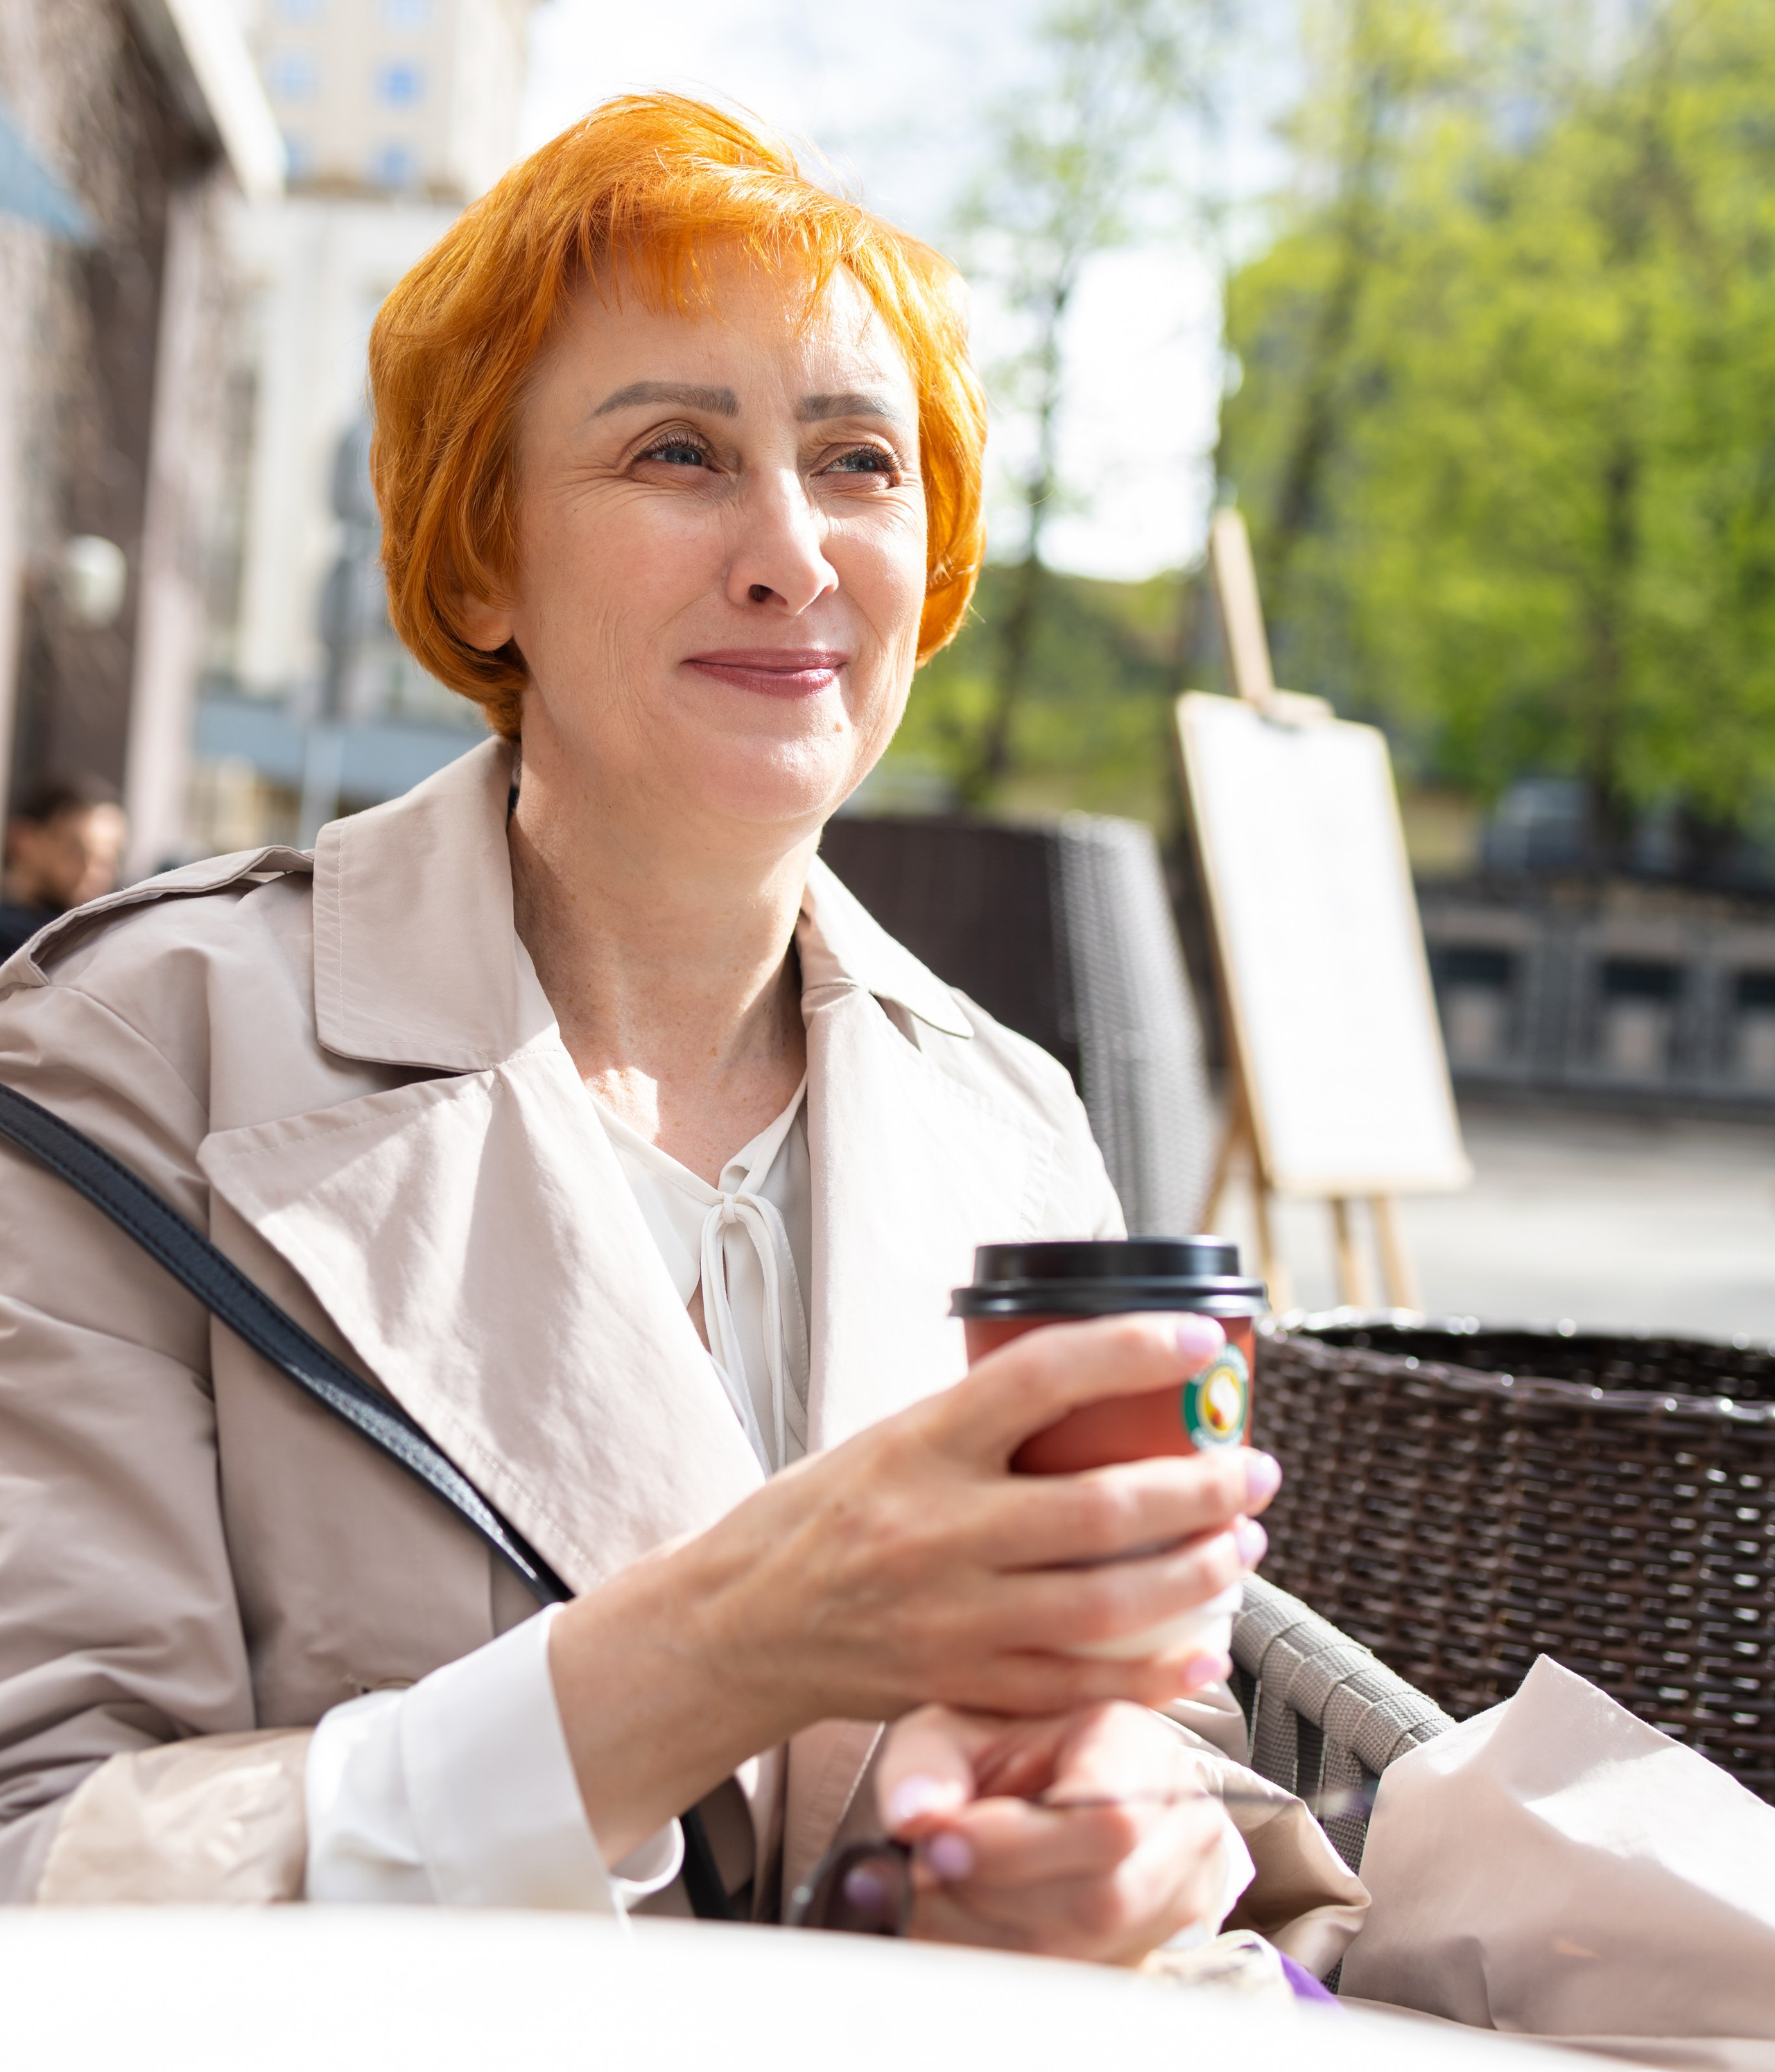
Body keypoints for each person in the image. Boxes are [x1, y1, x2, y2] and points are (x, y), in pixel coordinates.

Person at [0, 96, 1358, 1969]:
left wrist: (1105, 1860)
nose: (793, 551)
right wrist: (720, 1645)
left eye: (859, 462)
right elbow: (46, 1865)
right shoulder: (136, 1051)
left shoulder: (1013, 1118)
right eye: (676, 452)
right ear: (484, 565)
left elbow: (1160, 1732)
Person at [0, 772, 126, 961]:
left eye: (109, 858)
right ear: (23, 842)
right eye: (77, 851)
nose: (97, 872)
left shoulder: (109, 935)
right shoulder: (13, 937)